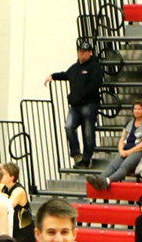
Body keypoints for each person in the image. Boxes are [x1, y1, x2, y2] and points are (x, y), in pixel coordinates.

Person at [45, 39, 103, 169]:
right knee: (68, 127)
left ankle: (86, 160)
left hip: (89, 104)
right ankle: (77, 154)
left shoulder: (95, 67)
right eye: (80, 51)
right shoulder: (75, 68)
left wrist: (81, 94)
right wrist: (53, 76)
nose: (82, 54)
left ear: (90, 53)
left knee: (88, 133)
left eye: (85, 52)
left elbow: (95, 84)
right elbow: (66, 74)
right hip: (75, 106)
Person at [86, 99, 142, 189]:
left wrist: (129, 152)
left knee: (124, 165)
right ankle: (99, 179)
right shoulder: (129, 123)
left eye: (139, 109)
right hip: (126, 150)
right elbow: (122, 139)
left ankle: (107, 181)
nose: (136, 111)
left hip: (141, 151)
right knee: (113, 165)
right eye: (135, 109)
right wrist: (121, 150)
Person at [1, 163, 34, 242]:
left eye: (4, 174)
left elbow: (7, 207)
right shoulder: (4, 188)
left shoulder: (18, 190)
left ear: (12, 177)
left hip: (24, 230)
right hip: (14, 228)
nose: (1, 176)